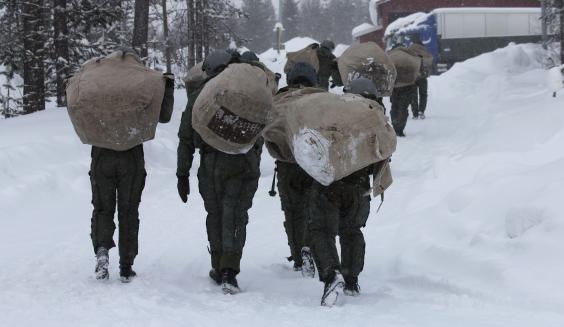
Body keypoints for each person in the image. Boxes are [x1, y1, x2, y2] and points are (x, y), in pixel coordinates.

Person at [176, 50, 264, 294]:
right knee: (235, 215)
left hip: (212, 164)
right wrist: (254, 158)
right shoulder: (250, 90)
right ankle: (229, 271)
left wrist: (182, 173)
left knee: (215, 215)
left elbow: (186, 136)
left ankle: (219, 266)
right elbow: (262, 127)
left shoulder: (201, 95)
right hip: (243, 163)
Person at [92, 48, 175, 283]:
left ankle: (101, 251)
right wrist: (167, 89)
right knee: (129, 210)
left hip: (102, 155)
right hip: (131, 156)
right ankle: (126, 266)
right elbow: (164, 116)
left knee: (102, 208)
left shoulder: (98, 85)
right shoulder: (139, 85)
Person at [307, 78, 385, 306]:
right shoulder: (377, 118)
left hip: (328, 182)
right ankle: (351, 279)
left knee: (321, 230)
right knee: (352, 231)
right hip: (359, 187)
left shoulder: (333, 111)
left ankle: (332, 274)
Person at [273, 63, 318, 278]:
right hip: (313, 166)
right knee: (313, 210)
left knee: (292, 213)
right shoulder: (321, 100)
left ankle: (298, 258)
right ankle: (310, 247)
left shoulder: (280, 100)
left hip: (286, 166)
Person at [409, 36, 429, 120]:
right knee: (423, 94)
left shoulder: (409, 51)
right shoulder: (424, 51)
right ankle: (421, 111)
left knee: (413, 95)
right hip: (422, 77)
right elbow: (428, 63)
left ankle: (415, 113)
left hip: (413, 77)